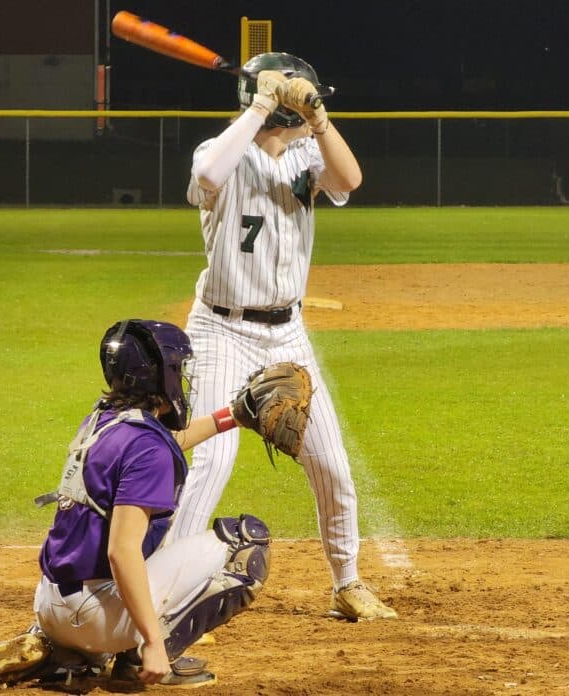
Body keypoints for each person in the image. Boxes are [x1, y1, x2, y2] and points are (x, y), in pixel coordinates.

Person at [169, 52, 397, 621]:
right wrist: (263, 105)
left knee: (332, 464)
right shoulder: (220, 152)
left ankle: (347, 584)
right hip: (221, 328)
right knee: (212, 460)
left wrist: (318, 118)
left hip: (287, 334)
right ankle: (165, 592)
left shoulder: (307, 154)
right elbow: (206, 178)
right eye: (305, 101)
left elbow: (351, 178)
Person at [0, 319, 272, 689]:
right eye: (177, 368)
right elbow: (121, 552)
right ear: (159, 376)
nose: (183, 377)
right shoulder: (147, 449)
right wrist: (154, 643)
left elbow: (164, 443)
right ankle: (137, 656)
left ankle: (61, 654)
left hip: (50, 602)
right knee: (245, 544)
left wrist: (230, 417)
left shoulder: (104, 419)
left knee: (135, 544)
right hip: (91, 614)